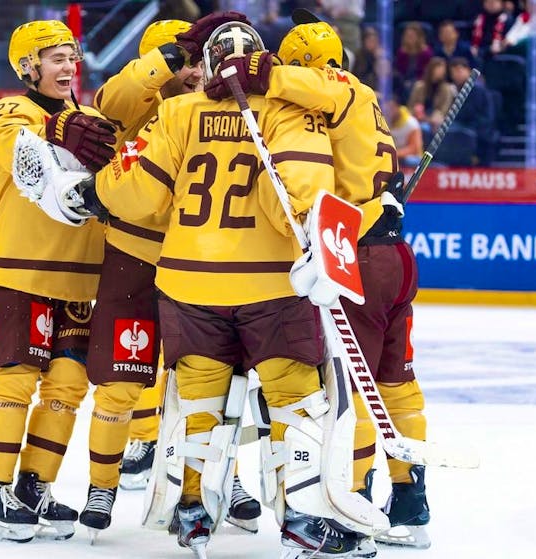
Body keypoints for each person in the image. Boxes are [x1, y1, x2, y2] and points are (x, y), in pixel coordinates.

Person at [85, 19, 379, 558]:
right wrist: (327, 241)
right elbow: (297, 201)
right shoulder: (290, 111)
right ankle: (303, 519)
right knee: (294, 401)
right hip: (271, 284)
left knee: (201, 401)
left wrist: (97, 189)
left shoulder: (177, 112)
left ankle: (193, 510)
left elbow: (138, 196)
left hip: (188, 282)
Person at [213, 19, 433, 551]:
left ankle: (354, 508)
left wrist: (259, 70)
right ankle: (411, 503)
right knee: (395, 384)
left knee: (350, 390)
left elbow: (304, 84)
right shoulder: (363, 99)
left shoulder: (337, 87)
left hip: (357, 255)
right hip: (394, 254)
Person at [80, 15, 261, 537]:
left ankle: (225, 479)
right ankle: (101, 486)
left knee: (216, 387)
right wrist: (166, 61)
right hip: (133, 258)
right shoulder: (135, 106)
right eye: (183, 60)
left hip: (200, 263)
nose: (193, 71)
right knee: (119, 382)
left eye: (199, 60)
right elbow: (111, 102)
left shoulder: (222, 108)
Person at [0, 19, 117, 543]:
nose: (68, 66)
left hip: (78, 278)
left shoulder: (91, 119)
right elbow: (20, 155)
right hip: (23, 269)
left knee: (68, 386)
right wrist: (56, 131)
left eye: (72, 56)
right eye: (56, 57)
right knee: (16, 379)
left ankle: (34, 486)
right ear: (28, 67)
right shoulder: (12, 110)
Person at [450, 57, 496, 165]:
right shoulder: (457, 89)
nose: (457, 75)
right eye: (454, 72)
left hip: (478, 126)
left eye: (460, 70)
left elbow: (470, 113)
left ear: (468, 71)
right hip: (466, 124)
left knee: (450, 130)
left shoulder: (475, 89)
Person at [407, 57, 456, 132]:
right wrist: (416, 112)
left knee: (429, 126)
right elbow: (411, 105)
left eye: (443, 69)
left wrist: (430, 119)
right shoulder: (419, 86)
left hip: (435, 119)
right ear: (431, 69)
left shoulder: (446, 89)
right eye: (438, 68)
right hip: (418, 116)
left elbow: (444, 110)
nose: (441, 71)